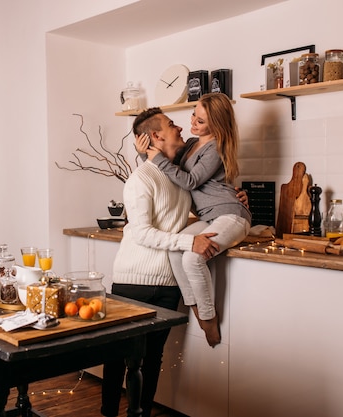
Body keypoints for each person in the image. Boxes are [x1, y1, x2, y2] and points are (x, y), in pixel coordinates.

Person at [101, 107, 220, 417]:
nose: (180, 127)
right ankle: (108, 413)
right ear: (155, 136)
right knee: (117, 357)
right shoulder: (140, 179)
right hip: (133, 282)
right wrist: (188, 241)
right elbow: (140, 232)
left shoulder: (178, 177)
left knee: (151, 360)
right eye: (171, 124)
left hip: (168, 285)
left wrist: (236, 198)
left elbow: (183, 214)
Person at [135, 93, 251, 347]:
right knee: (179, 248)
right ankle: (196, 307)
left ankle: (207, 317)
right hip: (208, 218)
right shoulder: (189, 145)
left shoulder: (216, 147)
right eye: (194, 116)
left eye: (201, 121)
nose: (193, 123)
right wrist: (144, 153)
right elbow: (163, 165)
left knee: (193, 256)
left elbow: (190, 181)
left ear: (217, 125)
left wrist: (155, 159)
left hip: (231, 215)